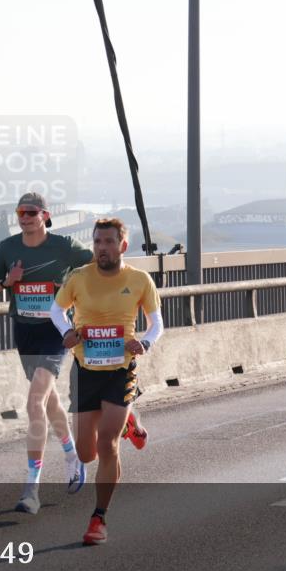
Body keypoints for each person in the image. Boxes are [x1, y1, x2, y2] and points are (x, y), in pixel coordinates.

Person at [49, 218, 163, 545]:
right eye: (98, 241)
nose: (102, 248)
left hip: (120, 371)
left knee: (106, 443)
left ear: (122, 246)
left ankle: (98, 518)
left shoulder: (139, 280)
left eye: (109, 242)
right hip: (86, 370)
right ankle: (130, 422)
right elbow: (57, 312)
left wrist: (144, 343)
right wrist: (67, 333)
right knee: (87, 454)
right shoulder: (79, 277)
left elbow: (157, 324)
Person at [0, 192, 94, 514]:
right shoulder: (8, 248)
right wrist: (6, 282)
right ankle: (72, 454)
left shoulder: (64, 246)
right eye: (20, 212)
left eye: (31, 212)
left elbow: (98, 262)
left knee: (34, 401)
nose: (24, 217)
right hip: (25, 332)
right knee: (48, 399)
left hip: (56, 332)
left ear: (45, 215)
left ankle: (32, 487)